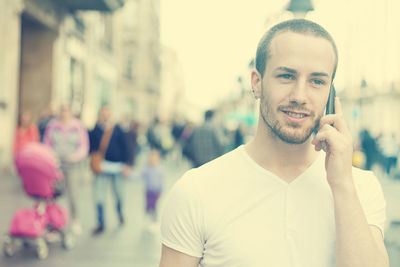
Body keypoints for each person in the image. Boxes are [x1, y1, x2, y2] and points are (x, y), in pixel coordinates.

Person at [159, 19, 388, 267]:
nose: (300, 96)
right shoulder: (197, 191)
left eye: (317, 81)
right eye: (287, 76)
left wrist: (342, 184)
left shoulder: (360, 188)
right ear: (257, 82)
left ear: (330, 93)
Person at [43, 104, 89, 234]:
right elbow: (46, 142)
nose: (64, 113)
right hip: (56, 165)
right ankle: (53, 222)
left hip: (72, 165)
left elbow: (84, 146)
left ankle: (75, 220)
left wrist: (75, 157)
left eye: (66, 110)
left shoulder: (77, 126)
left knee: (73, 194)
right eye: (62, 110)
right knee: (53, 194)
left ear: (70, 112)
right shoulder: (52, 125)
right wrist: (51, 156)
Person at [89, 105, 131, 235]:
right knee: (99, 195)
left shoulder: (118, 129)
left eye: (107, 112)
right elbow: (91, 149)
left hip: (117, 167)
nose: (105, 115)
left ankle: (120, 214)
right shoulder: (95, 129)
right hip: (101, 167)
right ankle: (101, 222)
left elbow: (126, 147)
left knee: (118, 194)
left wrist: (127, 164)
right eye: (103, 113)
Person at [141, 149, 165, 224]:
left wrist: (161, 191)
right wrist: (129, 175)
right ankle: (148, 220)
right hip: (148, 192)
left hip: (156, 192)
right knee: (148, 207)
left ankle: (155, 221)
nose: (153, 161)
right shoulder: (147, 169)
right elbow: (139, 176)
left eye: (155, 159)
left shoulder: (160, 169)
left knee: (156, 208)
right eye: (151, 159)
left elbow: (162, 181)